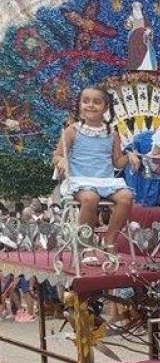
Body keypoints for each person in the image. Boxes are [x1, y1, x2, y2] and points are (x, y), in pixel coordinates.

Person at [52, 85, 136, 263]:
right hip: (80, 180)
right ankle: (86, 244)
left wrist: (129, 156)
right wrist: (62, 160)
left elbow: (117, 162)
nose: (90, 105)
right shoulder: (72, 131)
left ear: (106, 108)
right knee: (90, 198)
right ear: (80, 105)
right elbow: (58, 155)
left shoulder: (112, 133)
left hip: (105, 180)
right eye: (86, 101)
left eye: (97, 102)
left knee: (126, 196)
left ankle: (109, 241)